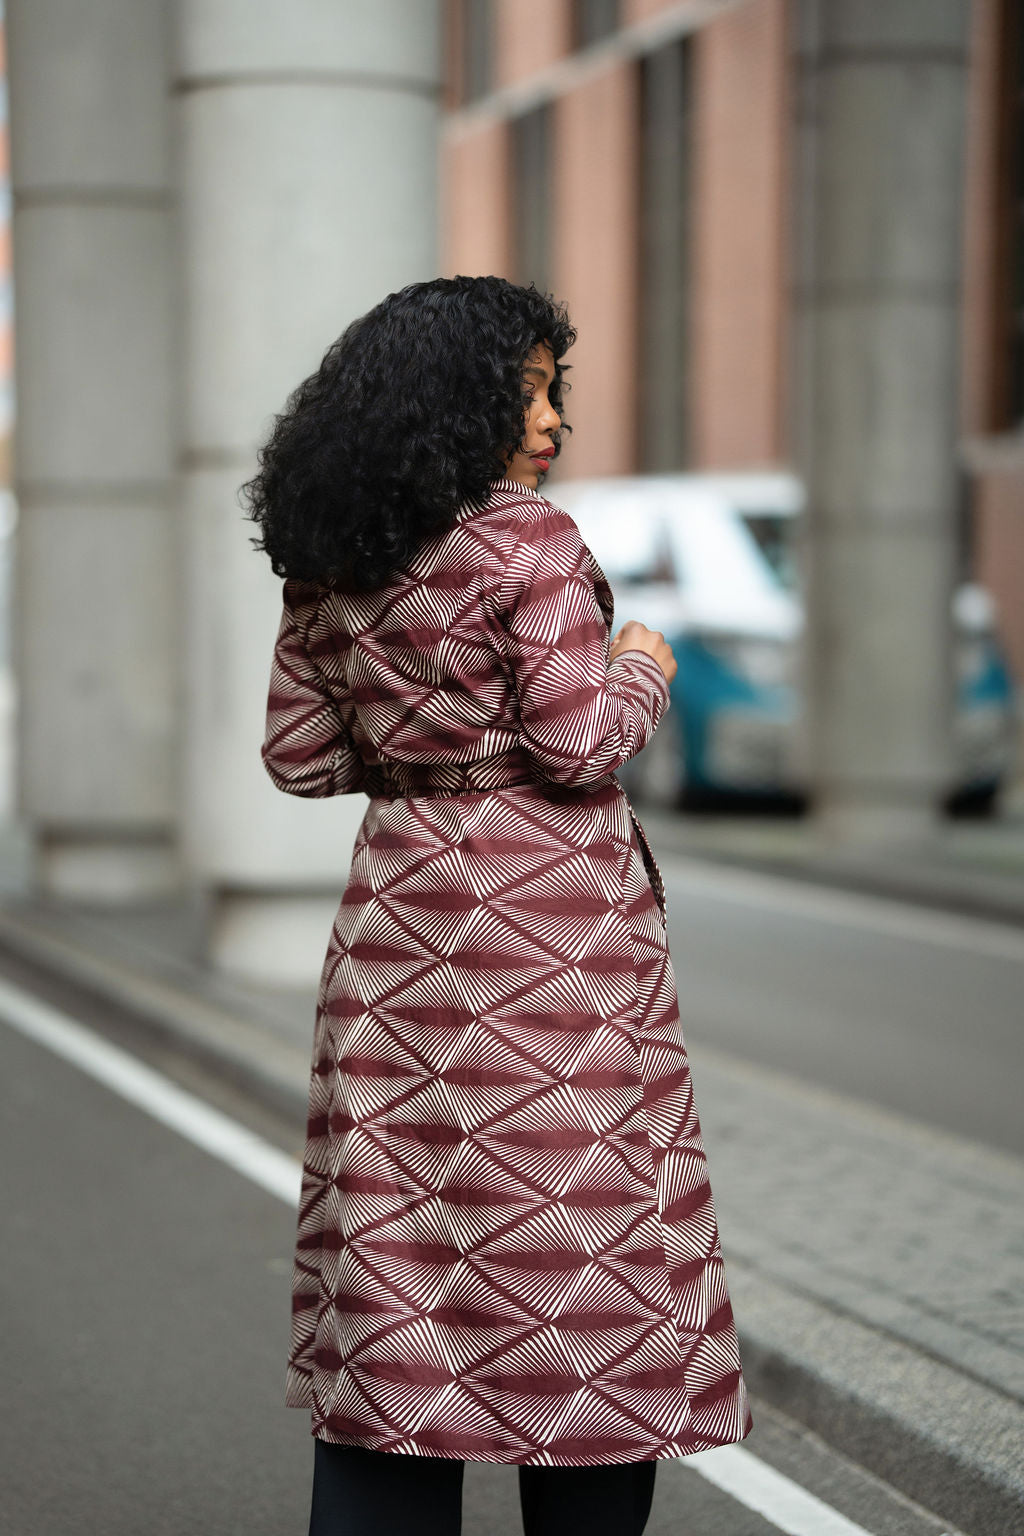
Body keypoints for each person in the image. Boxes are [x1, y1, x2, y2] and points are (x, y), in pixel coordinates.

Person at [247, 276, 751, 1536]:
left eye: (552, 390)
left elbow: (300, 757)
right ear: (451, 399)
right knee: (577, 1269)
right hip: (547, 943)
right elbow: (582, 746)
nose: (548, 420)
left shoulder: (335, 550)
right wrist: (638, 667)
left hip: (401, 939)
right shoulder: (530, 543)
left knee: (402, 1269)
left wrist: (427, 762)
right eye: (524, 389)